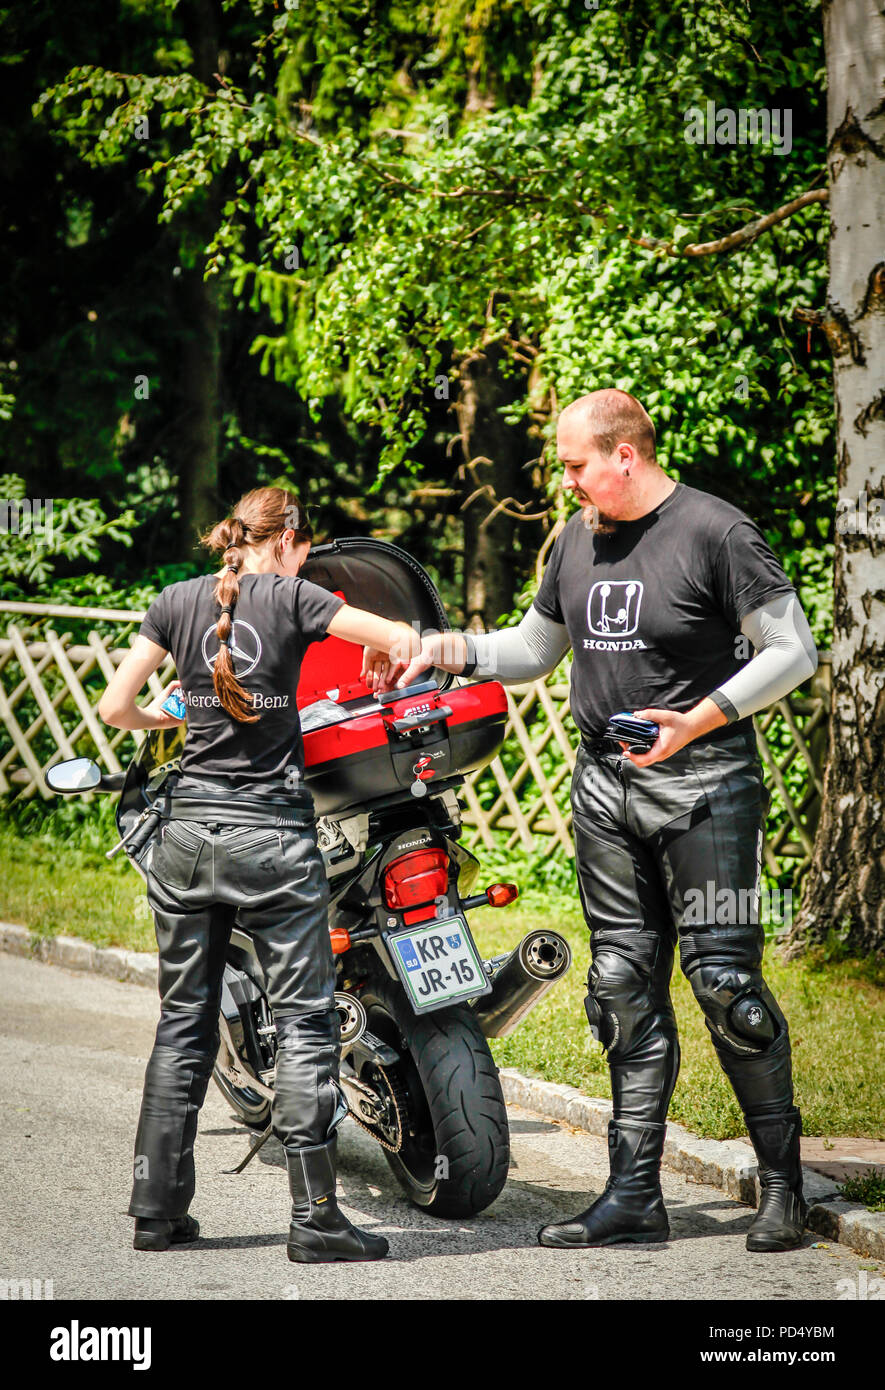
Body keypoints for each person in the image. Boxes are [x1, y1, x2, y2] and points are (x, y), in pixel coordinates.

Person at [363, 389, 818, 1253]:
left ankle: (783, 1191)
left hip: (705, 786)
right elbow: (535, 651)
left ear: (624, 455)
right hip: (604, 792)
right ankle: (632, 1198)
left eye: (575, 464)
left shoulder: (715, 532)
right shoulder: (575, 539)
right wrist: (438, 647)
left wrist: (698, 718)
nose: (565, 480)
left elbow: (793, 648)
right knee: (618, 987)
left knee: (727, 989)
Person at [98, 486, 422, 1262]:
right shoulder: (296, 594)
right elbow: (406, 636)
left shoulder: (173, 598)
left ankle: (155, 1214)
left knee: (182, 1023)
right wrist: (383, 645)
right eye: (305, 548)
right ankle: (315, 1221)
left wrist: (171, 717)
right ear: (293, 542)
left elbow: (115, 707)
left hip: (184, 838)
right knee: (307, 1021)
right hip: (271, 841)